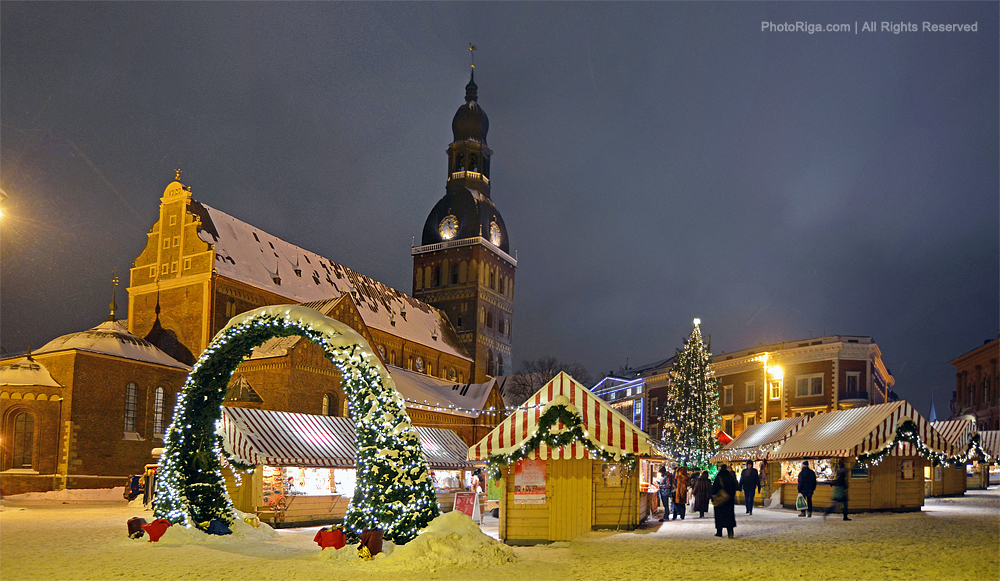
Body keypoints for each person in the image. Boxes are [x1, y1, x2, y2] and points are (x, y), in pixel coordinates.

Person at [711, 464, 738, 538]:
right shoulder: (730, 477)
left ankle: (719, 532)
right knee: (729, 516)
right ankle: (730, 532)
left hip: (720, 500)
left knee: (719, 516)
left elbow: (714, 488)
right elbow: (735, 486)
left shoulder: (718, 477)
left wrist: (713, 496)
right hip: (729, 500)